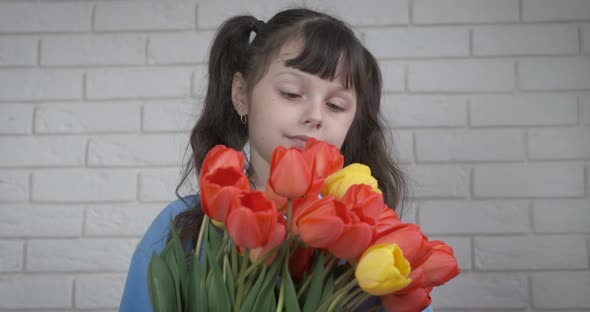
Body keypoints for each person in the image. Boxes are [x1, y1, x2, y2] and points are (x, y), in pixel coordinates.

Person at [120, 7, 432, 312]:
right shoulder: (181, 229)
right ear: (241, 94)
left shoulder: (373, 242)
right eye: (291, 93)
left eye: (336, 105)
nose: (314, 116)